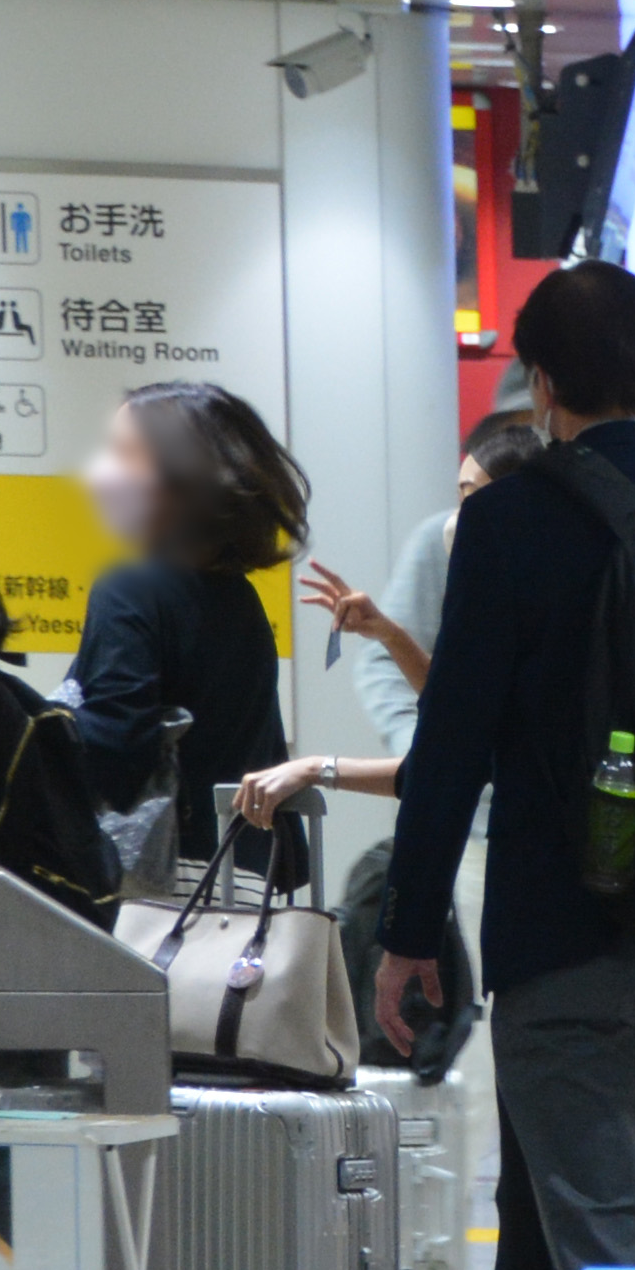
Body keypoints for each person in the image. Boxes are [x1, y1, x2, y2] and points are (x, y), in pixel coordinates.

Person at [375, 261, 635, 1270]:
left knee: (605, 1254)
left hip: (570, 934)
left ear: (542, 383)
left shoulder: (510, 521)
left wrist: (410, 930)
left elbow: (454, 741)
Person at [243, 402, 538, 819]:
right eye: (459, 496)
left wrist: (317, 769)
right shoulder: (495, 596)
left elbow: (471, 738)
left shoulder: (543, 612)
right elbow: (459, 708)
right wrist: (387, 632)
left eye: (472, 496)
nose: (458, 519)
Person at [72, 379, 311, 888]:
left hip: (163, 890)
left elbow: (115, 754)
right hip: (244, 879)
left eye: (123, 454)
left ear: (180, 476)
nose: (100, 474)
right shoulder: (239, 597)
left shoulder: (131, 589)